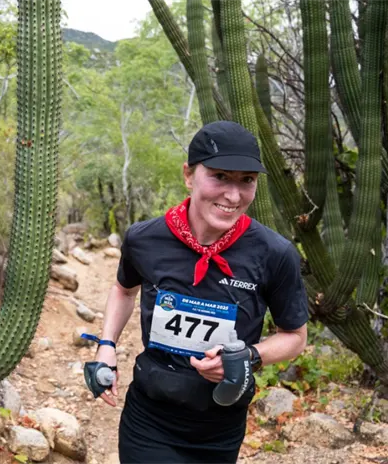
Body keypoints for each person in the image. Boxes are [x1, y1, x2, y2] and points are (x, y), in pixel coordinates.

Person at [91, 120, 308, 463]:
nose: (233, 195)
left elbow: (295, 336)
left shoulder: (274, 254)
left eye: (246, 181)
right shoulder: (145, 239)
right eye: (220, 176)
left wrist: (247, 357)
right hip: (151, 415)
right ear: (189, 175)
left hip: (221, 423)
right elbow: (123, 290)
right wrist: (106, 346)